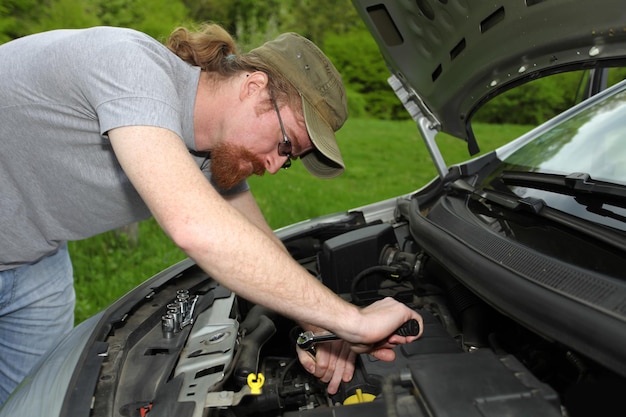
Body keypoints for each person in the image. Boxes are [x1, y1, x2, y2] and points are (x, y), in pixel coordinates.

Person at [0, 23, 423, 404]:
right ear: (255, 86)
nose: (275, 166)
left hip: (37, 263)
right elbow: (195, 226)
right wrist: (351, 321)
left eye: (289, 159)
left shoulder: (209, 155)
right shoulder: (130, 64)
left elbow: (261, 243)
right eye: (285, 144)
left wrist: (315, 326)